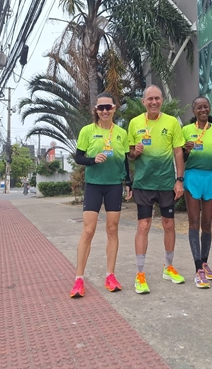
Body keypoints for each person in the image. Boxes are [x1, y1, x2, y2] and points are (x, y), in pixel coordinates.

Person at [69, 92, 133, 298]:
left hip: (114, 185)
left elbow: (124, 160)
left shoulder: (122, 133)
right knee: (88, 231)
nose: (104, 111)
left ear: (114, 108)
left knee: (112, 229)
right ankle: (79, 279)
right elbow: (78, 157)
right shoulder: (88, 131)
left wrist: (128, 183)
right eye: (101, 108)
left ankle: (110, 275)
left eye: (108, 107)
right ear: (96, 110)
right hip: (94, 185)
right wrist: (92, 159)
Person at [128, 85, 186, 294]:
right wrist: (136, 151)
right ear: (143, 102)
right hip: (143, 183)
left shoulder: (171, 122)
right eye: (150, 99)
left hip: (166, 183)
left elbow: (178, 152)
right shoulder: (134, 123)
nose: (154, 102)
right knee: (143, 226)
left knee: (169, 225)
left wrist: (179, 180)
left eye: (157, 98)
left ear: (162, 100)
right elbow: (130, 154)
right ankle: (140, 274)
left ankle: (168, 267)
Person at [182, 96, 212, 288]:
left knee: (207, 223)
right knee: (194, 221)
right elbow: (179, 157)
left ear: (209, 109)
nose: (203, 110)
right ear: (194, 111)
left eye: (206, 107)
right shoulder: (186, 131)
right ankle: (198, 268)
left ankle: (205, 262)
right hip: (192, 177)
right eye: (199, 107)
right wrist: (186, 150)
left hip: (211, 178)